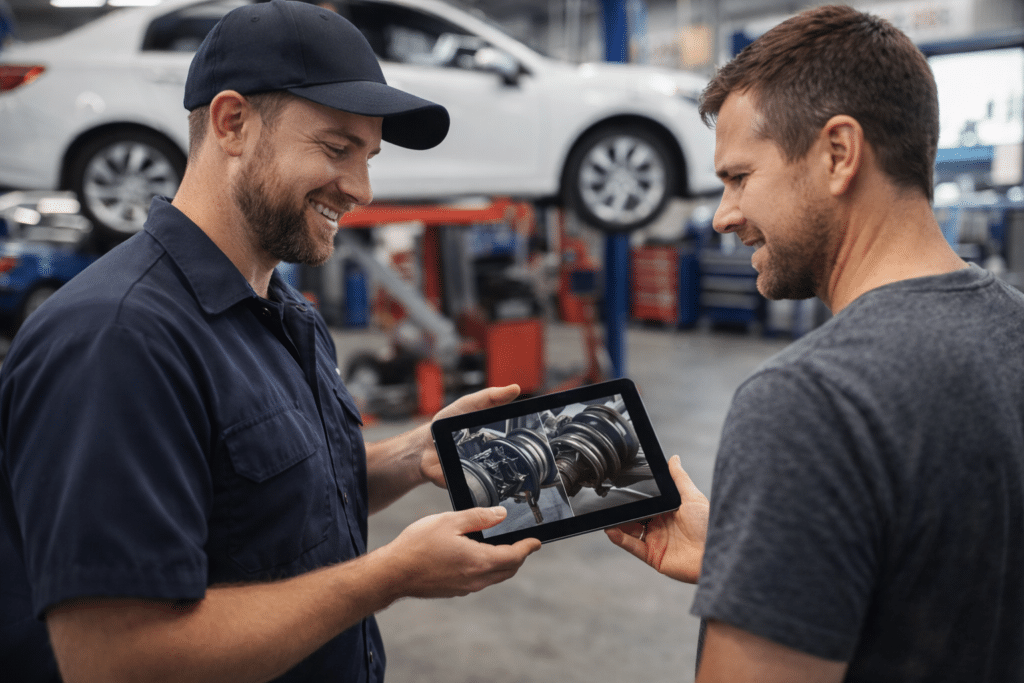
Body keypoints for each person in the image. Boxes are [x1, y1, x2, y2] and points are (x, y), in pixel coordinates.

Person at [0, 1, 541, 681]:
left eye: (368, 156)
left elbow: (270, 500)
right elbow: (117, 658)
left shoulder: (283, 313)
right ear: (232, 123)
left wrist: (411, 454)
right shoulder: (117, 340)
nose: (362, 189)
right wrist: (387, 575)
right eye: (336, 148)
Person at [607, 5, 1024, 682]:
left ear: (838, 153)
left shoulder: (809, 400)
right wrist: (751, 560)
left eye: (740, 177)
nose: (723, 216)